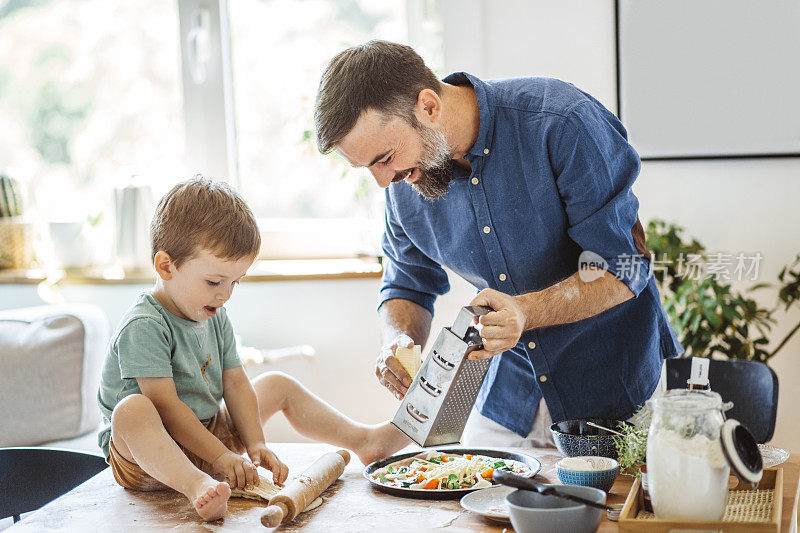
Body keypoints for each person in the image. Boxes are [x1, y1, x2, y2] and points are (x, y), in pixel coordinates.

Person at [313, 41, 682, 448]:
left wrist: (526, 310)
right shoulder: (405, 182)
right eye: (367, 168)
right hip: (508, 400)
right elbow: (407, 286)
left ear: (429, 107)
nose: (383, 182)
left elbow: (625, 266)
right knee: (472, 506)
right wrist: (397, 340)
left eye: (383, 159)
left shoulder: (561, 123)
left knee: (619, 511)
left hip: (620, 388)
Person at [97, 177, 407, 521]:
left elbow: (236, 383)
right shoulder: (145, 325)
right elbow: (167, 409)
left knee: (276, 384)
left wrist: (256, 444)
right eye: (214, 282)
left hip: (207, 434)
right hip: (148, 460)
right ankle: (196, 485)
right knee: (133, 410)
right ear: (166, 266)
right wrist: (219, 457)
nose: (225, 294)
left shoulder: (214, 314)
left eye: (235, 283)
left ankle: (363, 441)